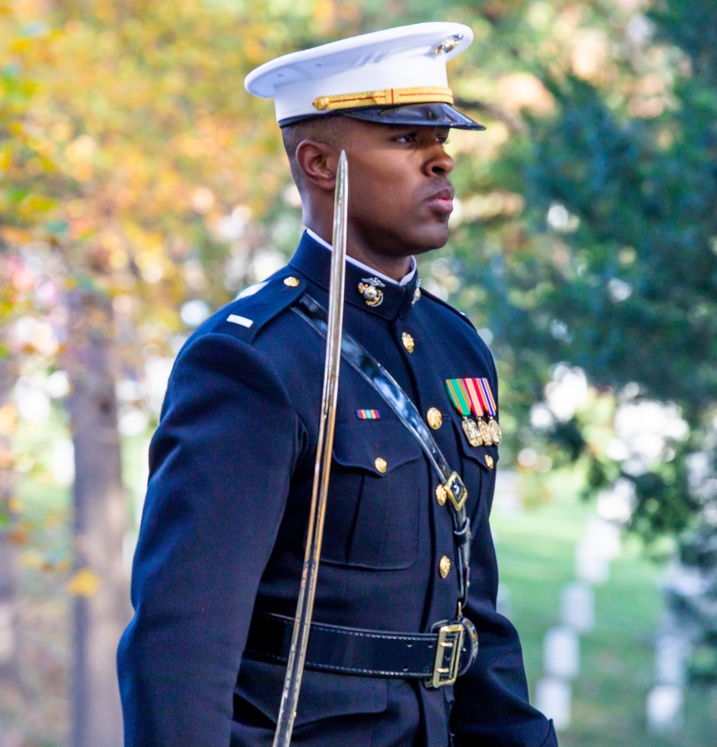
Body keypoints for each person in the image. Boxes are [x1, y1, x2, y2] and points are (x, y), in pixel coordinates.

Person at [117, 21, 558, 747]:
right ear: (320, 163)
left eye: (442, 137)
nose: (442, 159)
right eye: (405, 139)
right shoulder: (255, 361)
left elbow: (471, 617)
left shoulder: (458, 349)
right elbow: (181, 643)